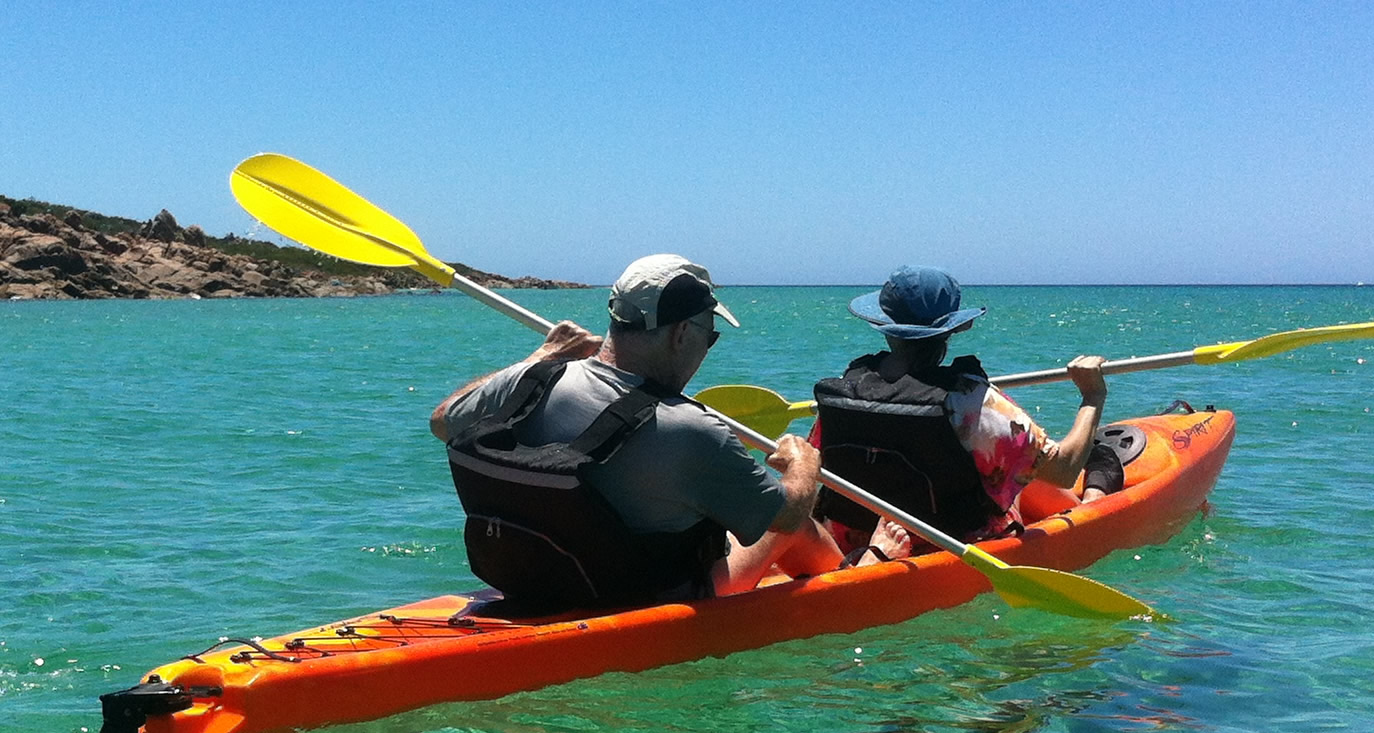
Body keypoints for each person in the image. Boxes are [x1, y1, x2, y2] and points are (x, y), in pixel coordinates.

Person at [431, 254, 844, 607]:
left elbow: (444, 420)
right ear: (682, 333)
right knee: (798, 524)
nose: (706, 348)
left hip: (540, 586)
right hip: (646, 597)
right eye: (710, 336)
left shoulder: (531, 380)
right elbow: (784, 516)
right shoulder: (692, 429)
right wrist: (803, 465)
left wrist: (539, 357)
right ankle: (860, 577)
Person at [811, 265, 1123, 550]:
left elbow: (817, 465)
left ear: (884, 324)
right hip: (952, 541)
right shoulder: (969, 399)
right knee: (1017, 464)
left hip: (861, 540)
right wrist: (1092, 396)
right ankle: (1094, 497)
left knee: (1007, 460)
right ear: (954, 328)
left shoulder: (844, 391)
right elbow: (1066, 470)